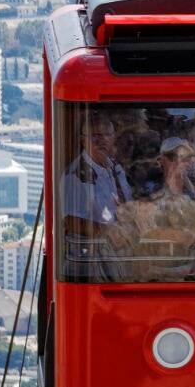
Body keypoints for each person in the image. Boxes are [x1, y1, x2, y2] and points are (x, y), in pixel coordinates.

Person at [124, 137, 195, 280]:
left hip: (188, 266)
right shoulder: (151, 185)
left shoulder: (191, 187)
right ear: (163, 160)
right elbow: (143, 227)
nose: (184, 163)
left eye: (188, 159)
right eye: (178, 158)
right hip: (160, 268)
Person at [60, 115, 133, 280]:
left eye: (107, 135)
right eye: (96, 136)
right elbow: (72, 222)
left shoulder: (115, 167)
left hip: (121, 255)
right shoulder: (76, 176)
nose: (103, 140)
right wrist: (109, 232)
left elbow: (126, 204)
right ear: (83, 140)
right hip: (93, 262)